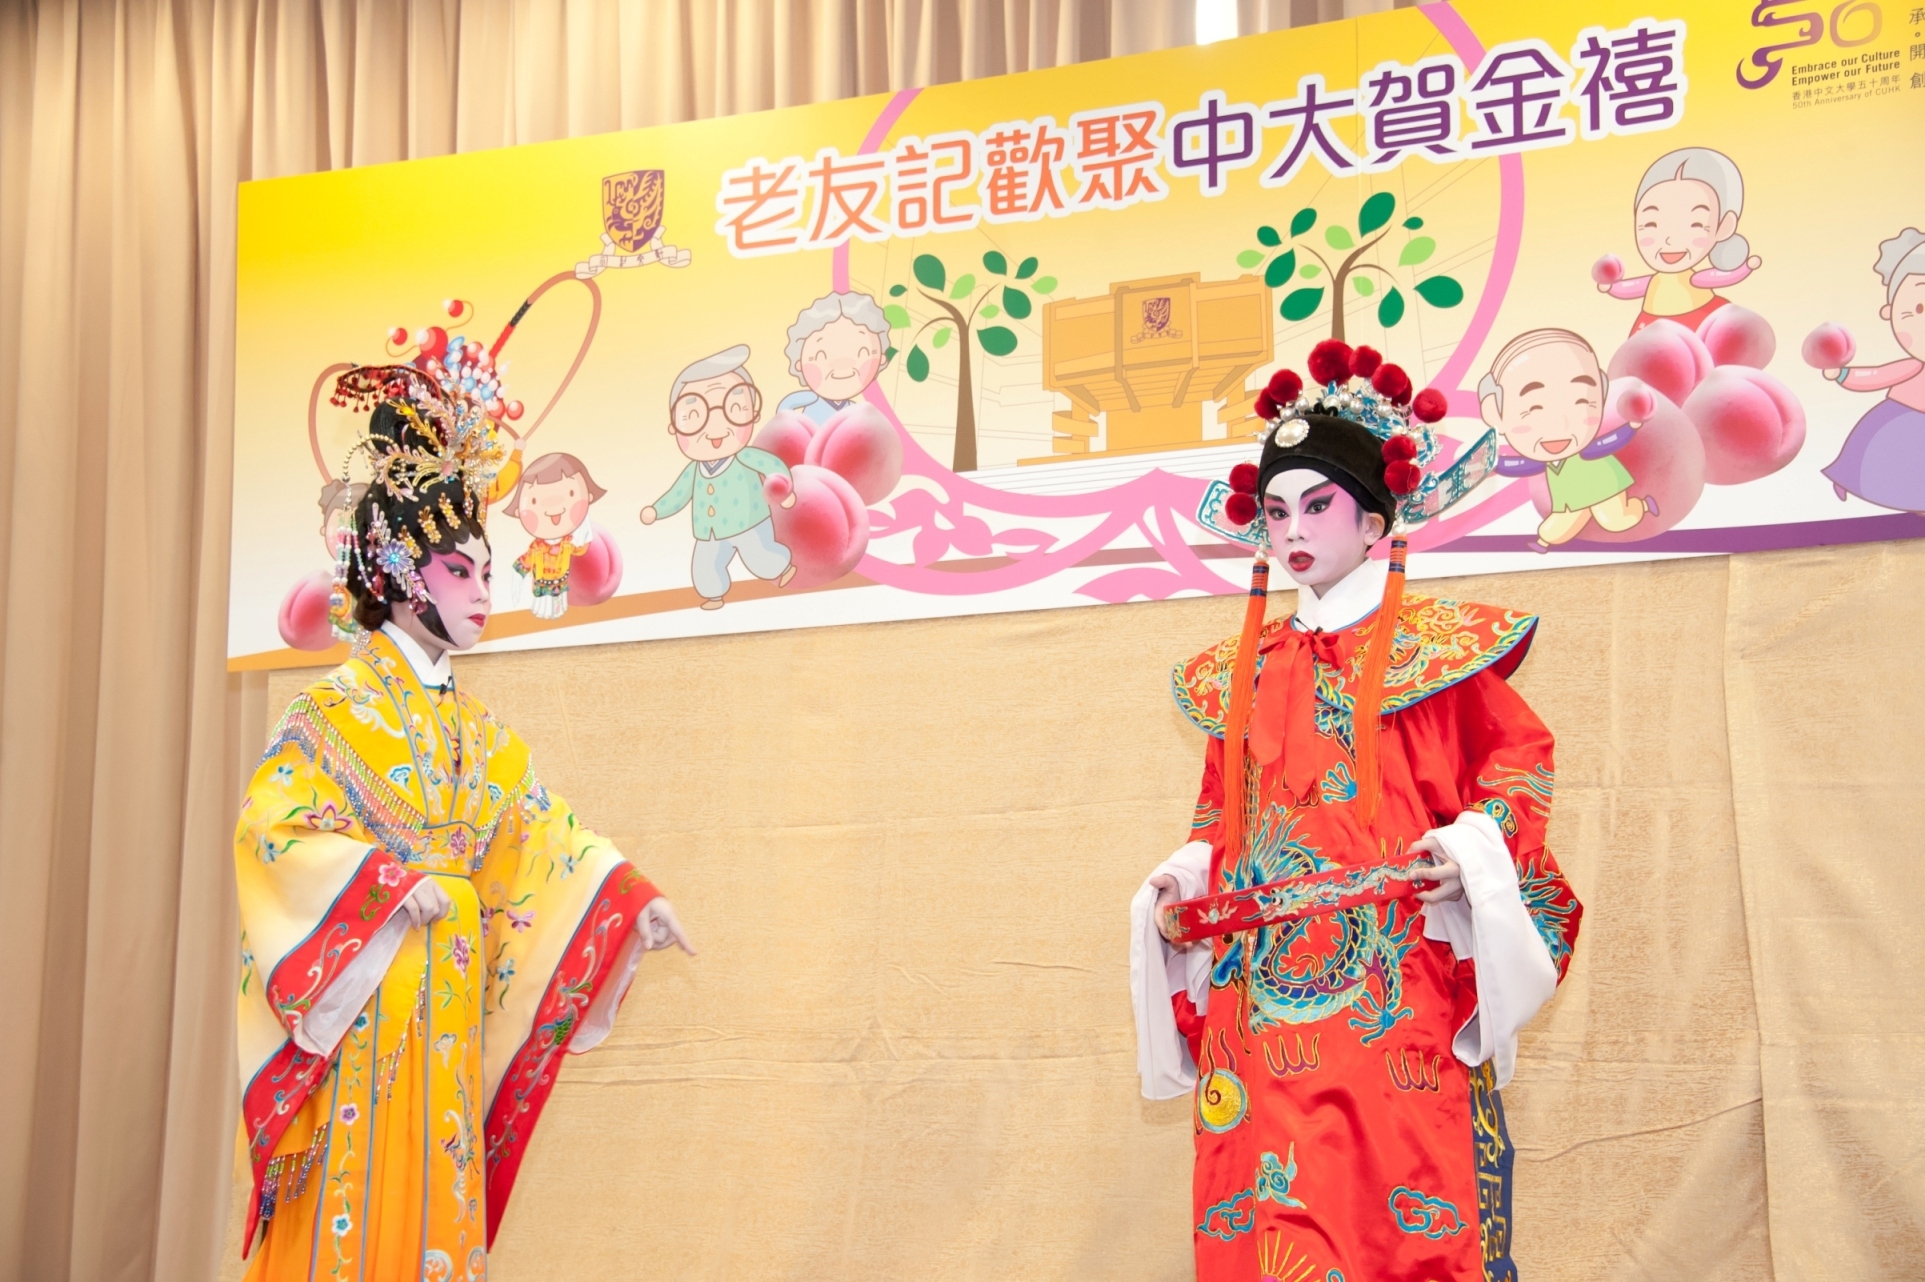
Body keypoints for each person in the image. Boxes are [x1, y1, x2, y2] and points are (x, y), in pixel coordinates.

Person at [1132, 341, 1583, 1281]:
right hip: (1258, 1001)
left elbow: (1519, 763)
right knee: (1263, 1212)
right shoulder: (1241, 674)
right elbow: (1222, 817)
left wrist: (1470, 848)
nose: (1291, 529)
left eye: (1317, 504)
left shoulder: (1436, 654)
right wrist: (1181, 881)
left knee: (1405, 1210)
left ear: (1374, 519)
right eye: (1274, 511)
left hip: (1394, 983)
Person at [234, 365, 694, 1278]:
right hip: (367, 1000)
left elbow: (540, 831)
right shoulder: (328, 716)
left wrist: (625, 899)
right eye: (460, 570)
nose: (485, 589)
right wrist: (380, 884)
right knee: (354, 1201)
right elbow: (271, 830)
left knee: (436, 1192)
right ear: (401, 576)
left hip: (445, 996)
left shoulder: (476, 734)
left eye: (486, 570)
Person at [641, 345, 798, 609]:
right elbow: (677, 495)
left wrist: (785, 492)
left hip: (749, 522)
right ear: (675, 426)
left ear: (752, 413)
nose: (715, 427)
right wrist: (656, 510)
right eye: (693, 416)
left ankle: (781, 567)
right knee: (704, 566)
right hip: (710, 532)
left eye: (733, 408)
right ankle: (714, 594)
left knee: (761, 558)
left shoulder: (745, 457)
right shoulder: (694, 471)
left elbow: (772, 466)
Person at [1479, 328, 1655, 550]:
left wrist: (1632, 426)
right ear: (1495, 413)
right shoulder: (1544, 458)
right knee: (1552, 530)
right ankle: (1545, 541)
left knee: (1616, 520)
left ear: (1600, 397)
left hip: (1604, 485)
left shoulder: (1587, 449)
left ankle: (1642, 506)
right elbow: (1521, 465)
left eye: (1581, 402)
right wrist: (1495, 465)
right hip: (1570, 497)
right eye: (1533, 408)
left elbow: (1608, 443)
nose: (1559, 425)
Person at [1594, 147, 1762, 334]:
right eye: (1651, 224)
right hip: (1652, 323)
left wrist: (1746, 267)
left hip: (1700, 317)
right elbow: (1635, 286)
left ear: (1723, 226)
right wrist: (1611, 288)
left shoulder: (1694, 280)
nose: (1669, 240)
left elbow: (1717, 276)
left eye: (1694, 224)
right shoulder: (1654, 283)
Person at [1820, 228, 1925, 511]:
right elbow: (1878, 376)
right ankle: (1852, 481)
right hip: (1899, 422)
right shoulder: (1912, 366)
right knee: (1886, 463)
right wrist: (1843, 374)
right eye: (1919, 307)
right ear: (1889, 310)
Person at [505, 451, 608, 619]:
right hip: (541, 581)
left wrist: (585, 532)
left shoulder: (567, 542)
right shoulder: (537, 546)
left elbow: (580, 550)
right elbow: (525, 561)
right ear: (518, 511)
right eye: (534, 501)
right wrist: (518, 576)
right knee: (542, 606)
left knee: (557, 605)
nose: (554, 507)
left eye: (571, 494)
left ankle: (556, 611)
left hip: (559, 582)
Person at [776, 291, 892, 425]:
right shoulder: (805, 400)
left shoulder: (856, 411)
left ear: (881, 359)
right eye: (821, 355)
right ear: (799, 364)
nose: (843, 364)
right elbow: (783, 418)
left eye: (863, 352)